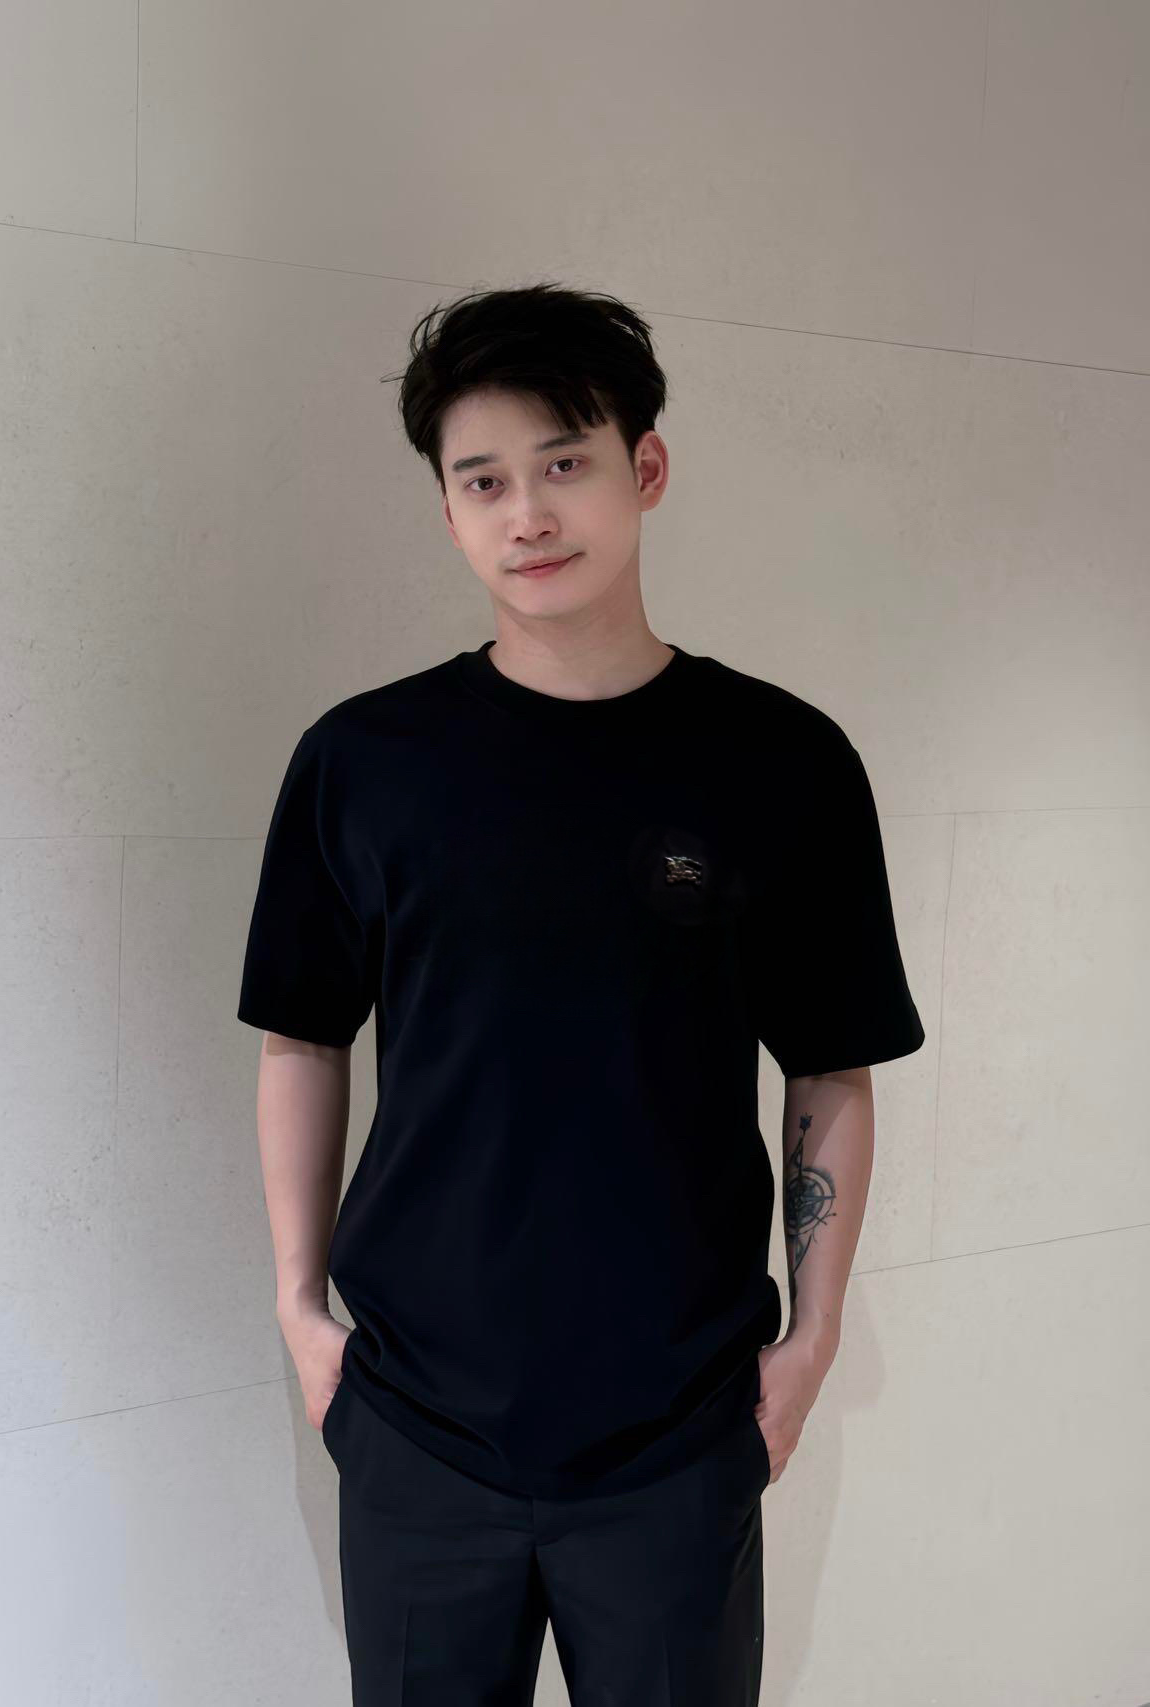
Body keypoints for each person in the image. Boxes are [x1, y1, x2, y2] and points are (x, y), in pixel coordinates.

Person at [237, 282, 925, 1705]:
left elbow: (831, 1064)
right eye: (483, 480)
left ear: (645, 468)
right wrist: (302, 1312)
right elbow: (303, 1036)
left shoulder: (782, 764)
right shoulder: (365, 763)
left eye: (565, 462)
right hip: (417, 1428)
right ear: (447, 511)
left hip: (678, 1433)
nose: (529, 514)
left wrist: (812, 1340)